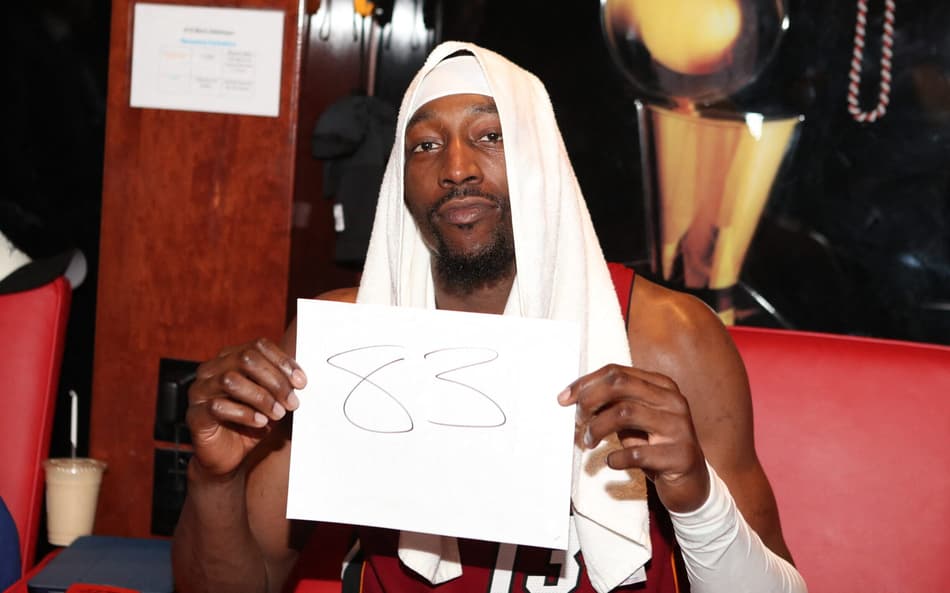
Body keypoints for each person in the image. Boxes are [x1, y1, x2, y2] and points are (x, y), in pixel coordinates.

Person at [172, 42, 807, 593]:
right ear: (400, 182)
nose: (456, 169)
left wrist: (696, 497)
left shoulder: (665, 338)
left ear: (541, 161)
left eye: (490, 136)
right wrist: (212, 478)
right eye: (426, 145)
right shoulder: (344, 341)